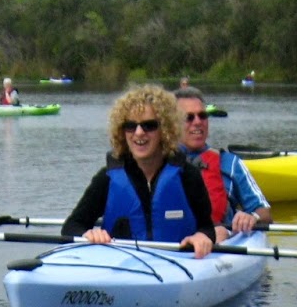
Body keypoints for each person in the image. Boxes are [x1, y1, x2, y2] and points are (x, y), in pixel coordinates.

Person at [62, 85, 215, 257]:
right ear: (122, 131)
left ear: (165, 130)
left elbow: (207, 227)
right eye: (130, 126)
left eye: (149, 125)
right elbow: (71, 227)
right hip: (125, 267)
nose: (139, 133)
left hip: (177, 263)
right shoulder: (106, 178)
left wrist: (201, 236)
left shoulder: (188, 175)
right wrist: (88, 234)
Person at [171, 87, 272, 241]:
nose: (197, 122)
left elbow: (265, 213)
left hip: (219, 244)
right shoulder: (157, 163)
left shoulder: (230, 163)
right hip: (171, 247)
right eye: (188, 117)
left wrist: (253, 217)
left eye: (202, 116)